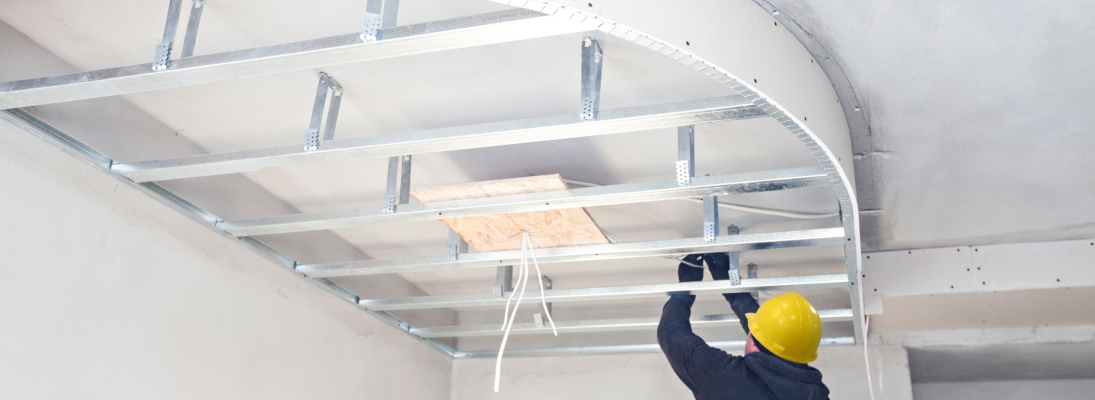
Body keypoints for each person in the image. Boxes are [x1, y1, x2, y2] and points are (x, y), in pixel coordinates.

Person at [658, 253, 830, 400]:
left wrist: (684, 292)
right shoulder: (816, 394)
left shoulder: (728, 380)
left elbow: (671, 335)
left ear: (753, 343)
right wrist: (731, 288)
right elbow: (769, 344)